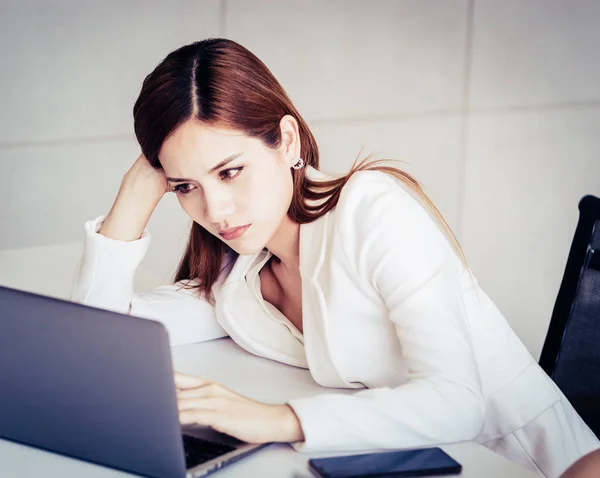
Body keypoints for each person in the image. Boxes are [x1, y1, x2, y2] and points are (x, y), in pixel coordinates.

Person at [71, 38, 599, 477]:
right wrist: (134, 196)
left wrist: (276, 419)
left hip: (528, 462)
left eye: (230, 171)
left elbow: (458, 402)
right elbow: (101, 341)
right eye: (186, 186)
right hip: (404, 464)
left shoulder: (371, 209)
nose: (215, 209)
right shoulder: (241, 280)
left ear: (285, 139)